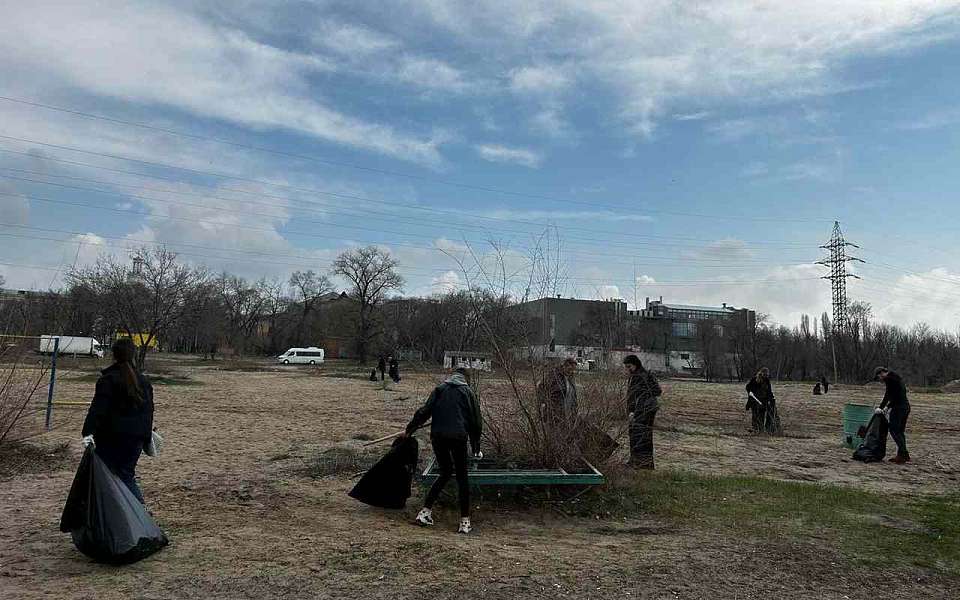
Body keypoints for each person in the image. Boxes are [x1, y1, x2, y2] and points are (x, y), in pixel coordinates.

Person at [403, 368, 482, 534]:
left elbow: (424, 411)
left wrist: (410, 428)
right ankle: (464, 522)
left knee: (445, 473)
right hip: (459, 438)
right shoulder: (468, 392)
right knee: (462, 477)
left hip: (438, 437)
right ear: (466, 379)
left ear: (452, 377)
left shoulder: (440, 389)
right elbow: (475, 421)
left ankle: (425, 512)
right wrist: (476, 448)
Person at [80, 338, 155, 503]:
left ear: (113, 355)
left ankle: (130, 517)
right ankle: (139, 514)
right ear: (133, 356)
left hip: (111, 439)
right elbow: (149, 412)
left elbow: (97, 410)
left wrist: (87, 433)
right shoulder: (144, 381)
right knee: (126, 476)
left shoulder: (108, 380)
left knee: (108, 477)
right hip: (136, 440)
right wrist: (146, 437)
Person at [624, 355, 662, 469]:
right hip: (650, 409)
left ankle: (636, 462)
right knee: (646, 437)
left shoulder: (637, 377)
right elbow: (658, 391)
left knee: (637, 435)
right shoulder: (646, 374)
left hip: (642, 410)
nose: (627, 369)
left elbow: (632, 396)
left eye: (629, 366)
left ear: (635, 364)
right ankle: (645, 463)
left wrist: (631, 411)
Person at [875, 366, 911, 464]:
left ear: (881, 373)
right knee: (900, 432)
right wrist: (882, 407)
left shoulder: (890, 379)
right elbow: (892, 394)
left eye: (879, 377)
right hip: (905, 407)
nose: (880, 379)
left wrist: (885, 407)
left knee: (894, 430)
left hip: (898, 408)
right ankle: (901, 455)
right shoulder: (895, 377)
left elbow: (892, 395)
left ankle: (904, 453)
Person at [538, 358, 579, 432]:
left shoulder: (571, 378)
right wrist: (544, 402)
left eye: (573, 369)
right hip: (554, 413)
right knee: (554, 434)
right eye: (570, 369)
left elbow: (573, 396)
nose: (571, 371)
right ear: (564, 366)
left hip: (567, 413)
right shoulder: (554, 375)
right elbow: (541, 387)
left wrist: (574, 411)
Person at [745, 367, 780, 434]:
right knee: (755, 415)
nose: (766, 376)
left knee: (762, 414)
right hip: (754, 401)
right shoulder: (755, 380)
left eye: (767, 375)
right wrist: (750, 392)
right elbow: (748, 387)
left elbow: (769, 391)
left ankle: (764, 429)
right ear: (762, 373)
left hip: (763, 401)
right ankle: (756, 429)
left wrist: (771, 399)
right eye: (765, 374)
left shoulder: (767, 380)